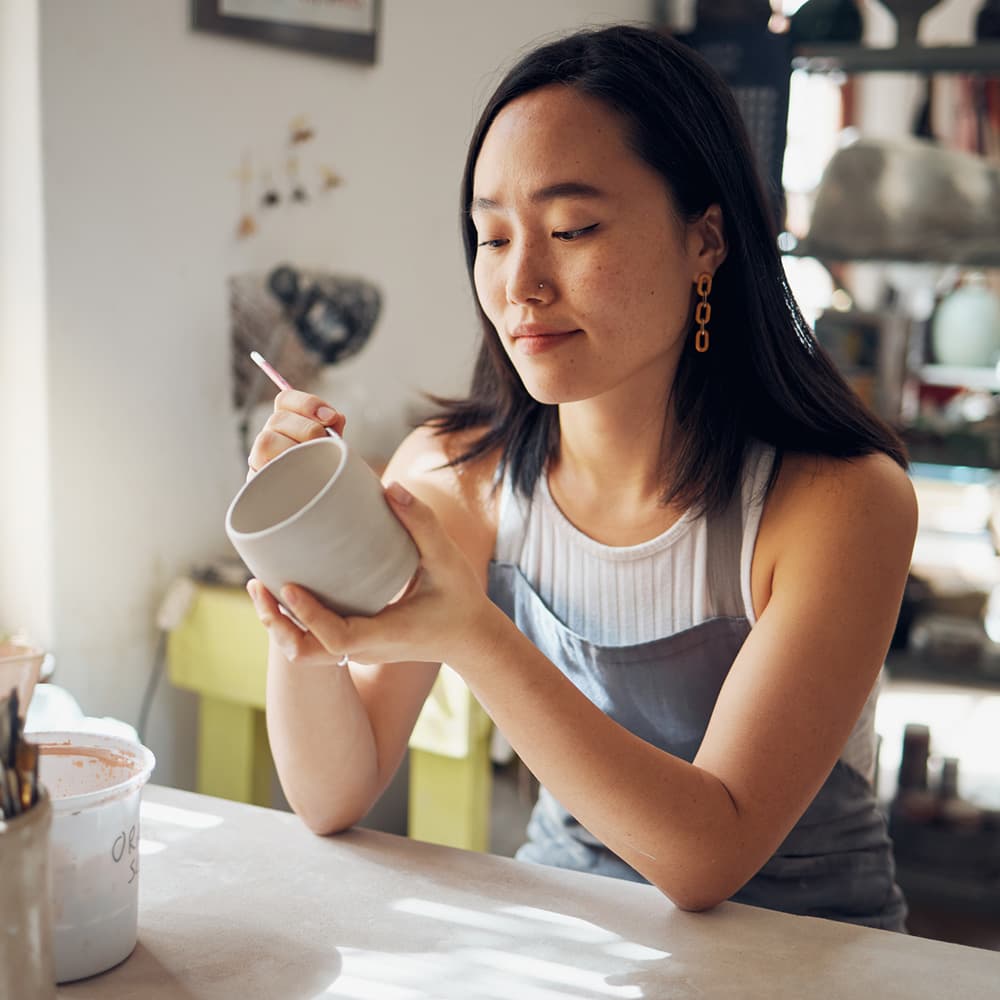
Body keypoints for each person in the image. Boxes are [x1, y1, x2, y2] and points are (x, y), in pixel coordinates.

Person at [246, 23, 917, 930]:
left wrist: (476, 637)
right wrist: (302, 571)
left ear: (706, 241)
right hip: (567, 937)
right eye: (491, 238)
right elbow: (333, 795)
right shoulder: (457, 475)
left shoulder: (840, 502)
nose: (521, 282)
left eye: (572, 228)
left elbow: (707, 856)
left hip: (812, 955)